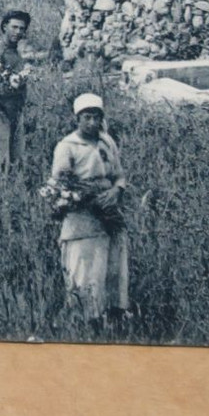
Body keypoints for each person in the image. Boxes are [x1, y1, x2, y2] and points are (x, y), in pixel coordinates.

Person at [46, 92, 131, 321]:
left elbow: (119, 174)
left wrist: (116, 191)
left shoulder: (106, 141)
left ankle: (114, 313)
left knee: (112, 265)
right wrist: (84, 198)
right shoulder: (67, 146)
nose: (92, 122)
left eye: (96, 117)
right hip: (82, 216)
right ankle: (86, 317)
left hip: (109, 213)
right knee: (84, 267)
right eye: (87, 118)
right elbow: (60, 186)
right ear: (77, 119)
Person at [0, 8, 32, 171]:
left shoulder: (15, 51)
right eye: (14, 27)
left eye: (22, 28)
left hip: (14, 110)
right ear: (4, 27)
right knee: (1, 161)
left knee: (16, 160)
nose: (18, 32)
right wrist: (12, 86)